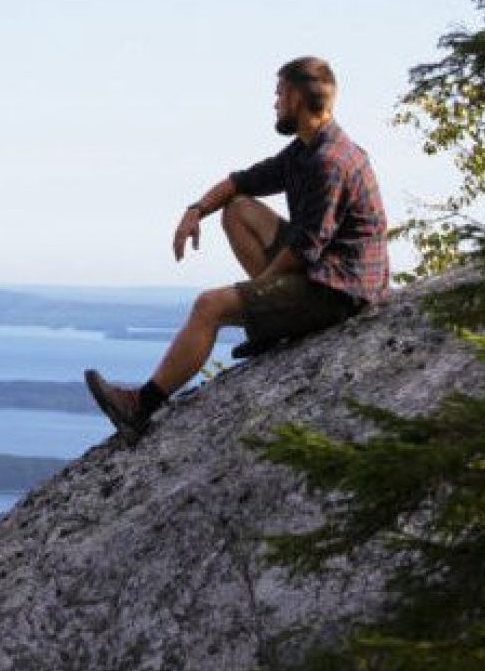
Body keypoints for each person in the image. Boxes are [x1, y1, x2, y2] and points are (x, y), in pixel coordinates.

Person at [84, 55, 388, 439]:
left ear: (295, 98)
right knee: (238, 210)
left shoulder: (329, 162)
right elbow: (243, 181)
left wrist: (256, 296)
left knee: (208, 307)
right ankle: (272, 324)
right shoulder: (307, 149)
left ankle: (140, 406)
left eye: (279, 94)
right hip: (327, 268)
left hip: (340, 290)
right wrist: (196, 211)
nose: (275, 103)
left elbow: (305, 249)